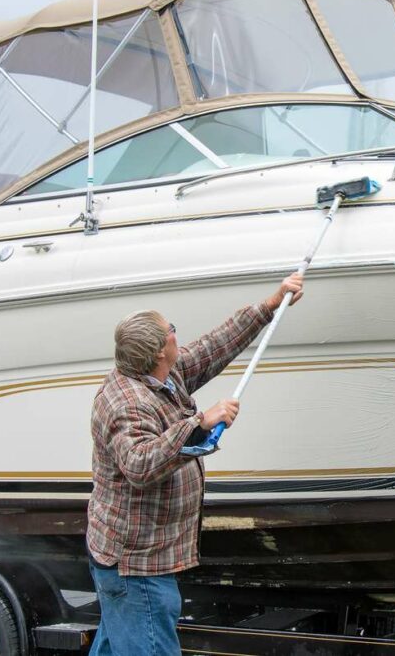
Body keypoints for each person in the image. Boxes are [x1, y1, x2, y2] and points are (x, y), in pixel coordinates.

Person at [85, 273, 303, 655]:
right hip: (136, 567)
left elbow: (211, 347)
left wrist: (269, 306)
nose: (176, 334)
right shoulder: (128, 402)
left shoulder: (162, 375)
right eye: (171, 330)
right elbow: (139, 463)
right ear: (157, 352)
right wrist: (197, 424)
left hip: (132, 560)